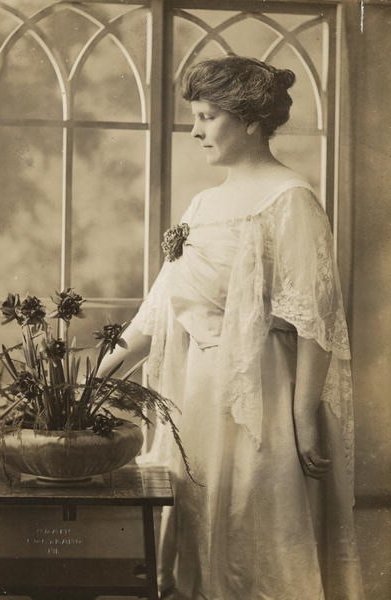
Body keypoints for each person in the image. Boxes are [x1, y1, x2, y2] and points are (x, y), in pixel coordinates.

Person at [98, 56, 365, 600]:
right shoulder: (204, 202)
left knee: (254, 531)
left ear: (250, 120)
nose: (195, 130)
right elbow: (160, 306)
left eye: (207, 116)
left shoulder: (290, 198)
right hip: (195, 395)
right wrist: (92, 381)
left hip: (263, 397)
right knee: (197, 528)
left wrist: (303, 416)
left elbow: (314, 318)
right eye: (195, 116)